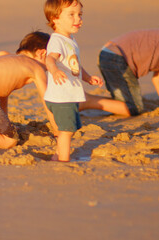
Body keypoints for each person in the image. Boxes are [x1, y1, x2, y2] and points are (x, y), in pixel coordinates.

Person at [43, 0, 102, 161]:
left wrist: (88, 78)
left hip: (68, 95)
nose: (78, 19)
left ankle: (57, 156)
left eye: (80, 15)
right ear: (55, 18)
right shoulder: (58, 40)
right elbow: (49, 59)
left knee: (68, 129)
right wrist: (54, 71)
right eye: (71, 15)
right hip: (61, 97)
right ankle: (63, 160)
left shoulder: (70, 40)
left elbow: (74, 65)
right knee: (66, 131)